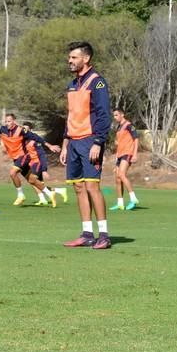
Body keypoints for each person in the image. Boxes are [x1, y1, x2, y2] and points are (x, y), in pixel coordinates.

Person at [59, 41, 112, 250]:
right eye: (69, 57)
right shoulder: (72, 85)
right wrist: (64, 143)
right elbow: (70, 116)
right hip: (73, 142)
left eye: (74, 57)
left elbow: (103, 114)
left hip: (91, 141)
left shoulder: (97, 82)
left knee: (92, 186)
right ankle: (87, 234)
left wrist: (98, 142)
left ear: (86, 58)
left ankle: (104, 235)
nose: (69, 60)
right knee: (79, 187)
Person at [0, 113, 60, 205]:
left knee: (12, 173)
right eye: (6, 121)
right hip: (16, 158)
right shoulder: (2, 130)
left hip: (24, 156)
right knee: (32, 180)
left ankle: (20, 195)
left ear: (14, 121)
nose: (7, 123)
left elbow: (35, 137)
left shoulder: (21, 130)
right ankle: (50, 193)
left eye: (9, 121)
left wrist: (49, 145)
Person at [21, 122, 68, 206]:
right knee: (36, 183)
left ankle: (47, 197)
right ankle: (55, 193)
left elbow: (42, 155)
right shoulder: (23, 140)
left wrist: (44, 170)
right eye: (23, 129)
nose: (24, 130)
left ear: (30, 130)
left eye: (26, 129)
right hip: (30, 164)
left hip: (37, 163)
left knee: (33, 180)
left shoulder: (35, 140)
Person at [109, 108, 140, 211]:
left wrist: (135, 154)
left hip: (127, 153)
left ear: (122, 114)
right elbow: (119, 142)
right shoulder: (119, 127)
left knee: (122, 175)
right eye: (114, 115)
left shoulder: (129, 125)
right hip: (120, 154)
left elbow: (136, 139)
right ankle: (120, 203)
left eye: (116, 115)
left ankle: (133, 198)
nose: (115, 117)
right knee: (118, 179)